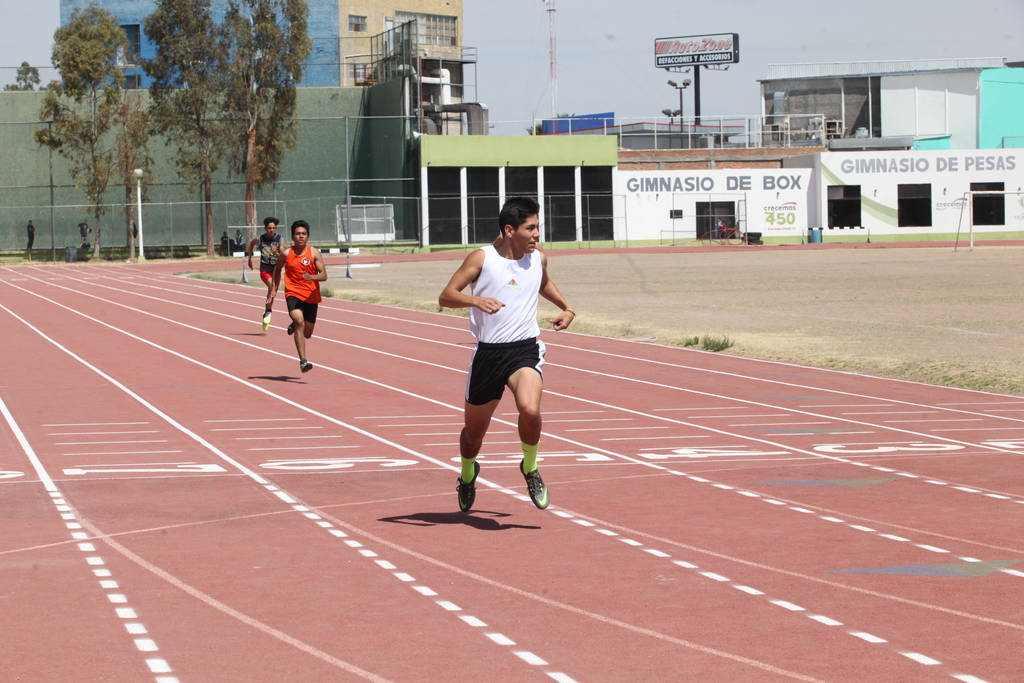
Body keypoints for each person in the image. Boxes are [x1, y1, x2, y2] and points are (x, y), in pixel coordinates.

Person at [438, 196, 575, 512]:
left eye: (538, 227)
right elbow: (446, 296)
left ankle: (530, 466)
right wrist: (476, 301)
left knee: (530, 408)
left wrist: (567, 308)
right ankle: (468, 472)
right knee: (474, 435)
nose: (537, 234)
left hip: (524, 349)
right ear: (510, 230)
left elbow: (542, 282)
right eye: (531, 228)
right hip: (488, 354)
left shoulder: (538, 259)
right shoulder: (482, 258)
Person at [273, 219, 326, 373]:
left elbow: (324, 275)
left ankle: (294, 325)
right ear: (293, 236)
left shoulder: (314, 253)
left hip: (311, 296)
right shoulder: (286, 253)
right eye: (297, 234)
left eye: (303, 234)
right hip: (293, 293)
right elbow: (277, 269)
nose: (300, 236)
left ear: (308, 236)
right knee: (299, 321)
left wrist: (312, 277)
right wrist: (273, 290)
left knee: (307, 333)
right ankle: (303, 361)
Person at [247, 217, 284, 331]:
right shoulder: (260, 239)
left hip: (276, 271)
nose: (271, 230)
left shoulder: (280, 239)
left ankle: (267, 312)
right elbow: (251, 244)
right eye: (269, 228)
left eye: (274, 228)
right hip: (265, 270)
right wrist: (249, 258)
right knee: (272, 288)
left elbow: (284, 257)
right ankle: (269, 306)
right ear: (265, 228)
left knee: (272, 294)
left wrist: (276, 252)